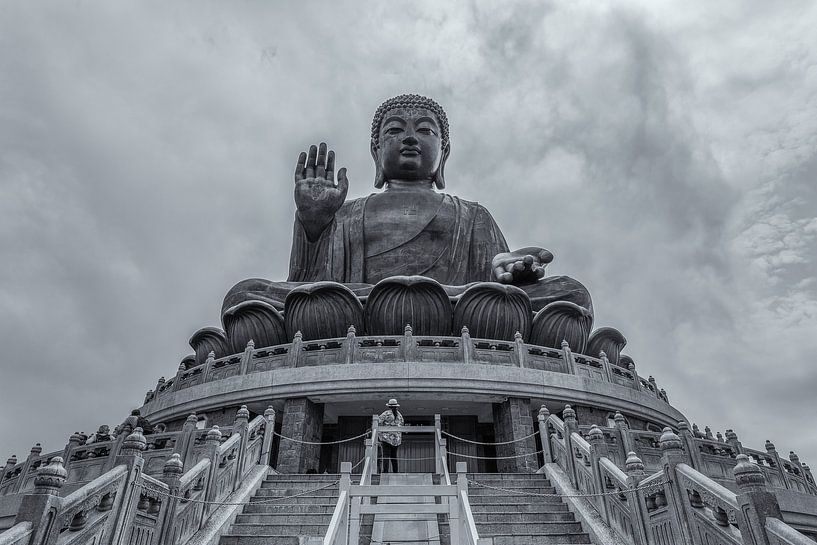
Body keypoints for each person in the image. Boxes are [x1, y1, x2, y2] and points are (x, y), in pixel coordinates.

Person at [222, 94, 592, 319]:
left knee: (572, 294)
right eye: (395, 130)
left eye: (425, 130)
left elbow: (494, 285)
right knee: (244, 296)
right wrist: (313, 224)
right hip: (357, 308)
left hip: (455, 307)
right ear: (376, 151)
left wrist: (506, 273)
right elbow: (309, 286)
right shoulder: (347, 213)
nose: (410, 138)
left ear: (444, 152)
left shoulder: (472, 215)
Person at [378, 399, 404, 473]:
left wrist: (380, 434)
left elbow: (378, 422)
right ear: (396, 406)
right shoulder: (400, 415)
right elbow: (402, 424)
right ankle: (395, 472)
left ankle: (385, 471)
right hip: (396, 439)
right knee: (394, 456)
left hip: (386, 438)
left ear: (389, 406)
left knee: (386, 455)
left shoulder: (386, 413)